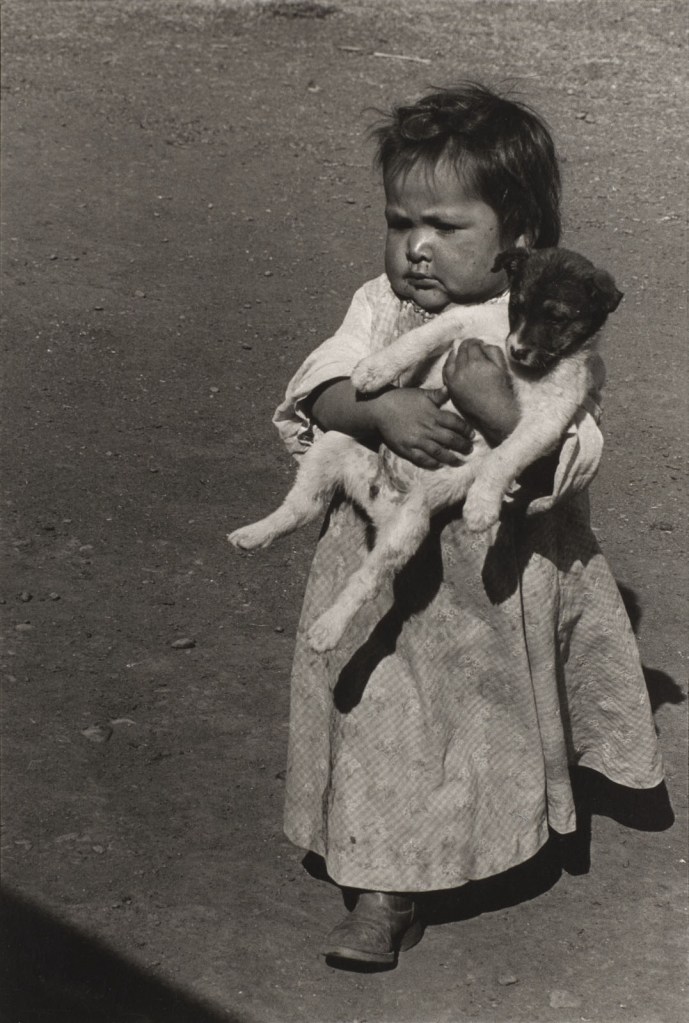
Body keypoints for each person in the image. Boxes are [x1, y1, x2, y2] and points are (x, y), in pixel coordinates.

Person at [271, 83, 663, 967]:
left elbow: (574, 447)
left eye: (445, 227)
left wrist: (497, 410)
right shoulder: (380, 306)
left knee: (489, 719)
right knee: (387, 714)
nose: (415, 248)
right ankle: (384, 886)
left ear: (519, 239)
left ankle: (509, 825)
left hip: (501, 577)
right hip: (389, 572)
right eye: (398, 220)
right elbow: (322, 380)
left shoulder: (550, 333)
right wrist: (375, 412)